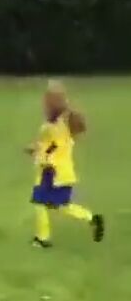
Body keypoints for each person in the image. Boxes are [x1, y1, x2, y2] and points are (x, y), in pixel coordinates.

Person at [28, 80, 105, 248]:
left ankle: (42, 238)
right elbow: (55, 145)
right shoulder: (64, 123)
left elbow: (52, 147)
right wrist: (37, 149)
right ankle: (91, 218)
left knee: (40, 202)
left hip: (51, 171)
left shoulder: (51, 126)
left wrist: (38, 154)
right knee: (61, 205)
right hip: (64, 172)